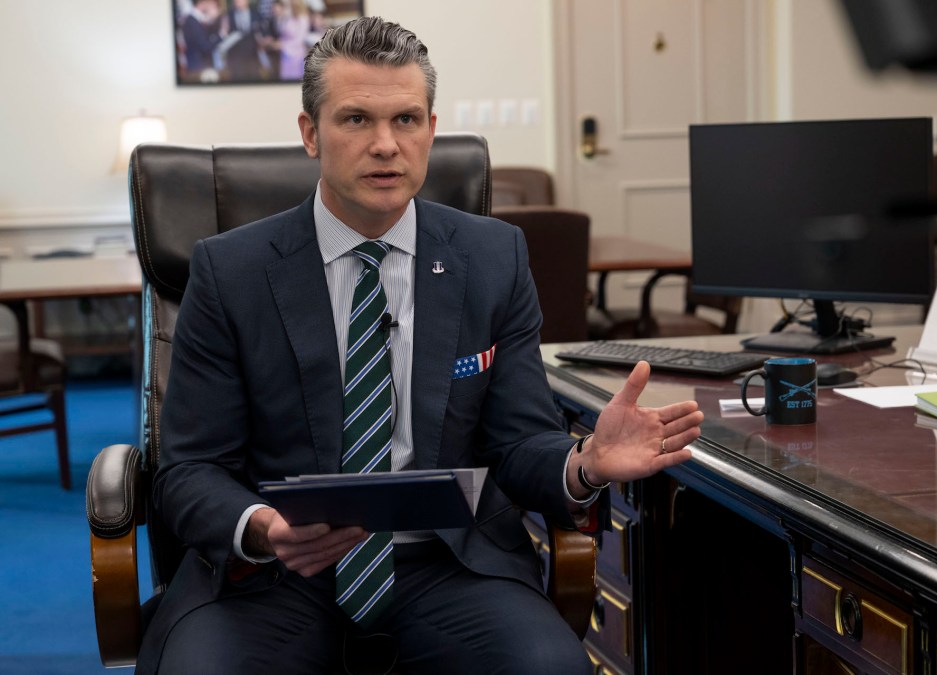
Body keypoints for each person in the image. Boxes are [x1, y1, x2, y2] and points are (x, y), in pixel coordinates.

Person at [136, 15, 704, 675]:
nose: (385, 145)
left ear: (431, 129)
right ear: (310, 133)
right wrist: (263, 527)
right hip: (273, 573)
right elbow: (189, 471)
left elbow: (518, 441)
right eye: (356, 119)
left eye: (406, 119)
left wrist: (584, 463)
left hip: (448, 564)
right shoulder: (230, 270)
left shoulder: (492, 257)